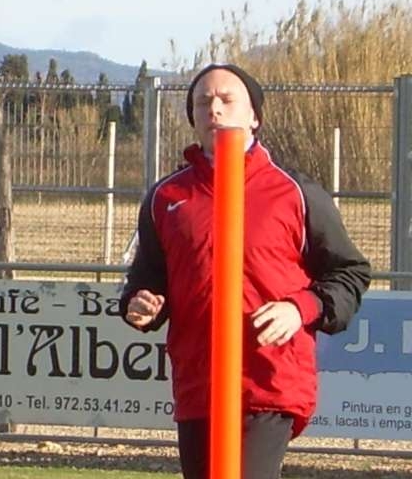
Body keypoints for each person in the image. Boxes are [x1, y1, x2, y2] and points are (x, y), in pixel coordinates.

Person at [119, 63, 371, 479]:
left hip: (269, 379)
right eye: (203, 102)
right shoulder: (166, 197)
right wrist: (141, 303)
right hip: (200, 383)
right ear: (193, 118)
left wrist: (300, 308)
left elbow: (350, 273)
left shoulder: (295, 192)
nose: (214, 109)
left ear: (254, 116)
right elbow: (147, 279)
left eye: (226, 99)